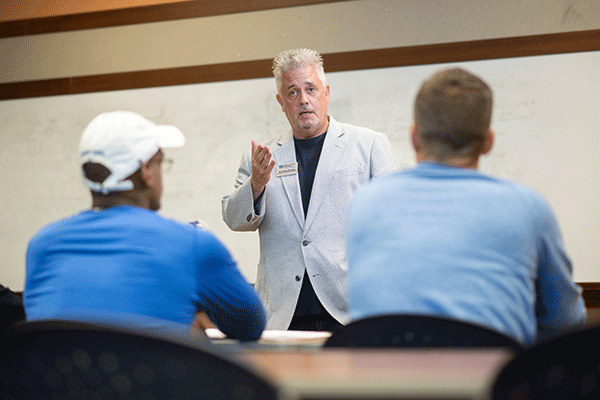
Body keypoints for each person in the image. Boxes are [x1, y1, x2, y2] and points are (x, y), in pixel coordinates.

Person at [346, 68, 586, 347]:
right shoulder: (528, 209)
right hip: (489, 384)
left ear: (413, 138)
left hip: (378, 385)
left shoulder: (363, 203)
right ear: (489, 142)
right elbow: (565, 319)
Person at [25, 111, 266, 341]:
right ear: (146, 171)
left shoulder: (41, 246)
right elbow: (251, 326)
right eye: (160, 162)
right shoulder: (192, 245)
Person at [222, 48, 397, 331]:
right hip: (283, 314)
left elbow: (394, 223)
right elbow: (233, 219)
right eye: (292, 92)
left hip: (348, 310)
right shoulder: (260, 156)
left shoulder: (368, 145)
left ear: (326, 92)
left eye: (310, 89)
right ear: (281, 102)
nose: (303, 100)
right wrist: (255, 184)